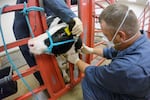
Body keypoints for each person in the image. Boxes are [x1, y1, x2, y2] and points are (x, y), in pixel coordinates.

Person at [67, 4, 150, 100]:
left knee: (88, 81)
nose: (106, 39)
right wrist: (91, 50)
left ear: (121, 36)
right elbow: (112, 52)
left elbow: (94, 73)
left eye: (106, 35)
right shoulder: (142, 42)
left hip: (132, 96)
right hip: (139, 90)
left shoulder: (126, 68)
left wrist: (76, 60)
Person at [13, 0, 83, 85]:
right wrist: (71, 16)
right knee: (31, 52)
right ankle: (46, 83)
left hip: (44, 14)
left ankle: (54, 78)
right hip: (26, 18)